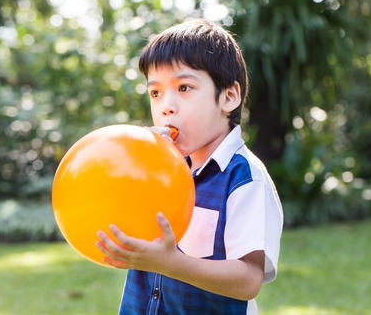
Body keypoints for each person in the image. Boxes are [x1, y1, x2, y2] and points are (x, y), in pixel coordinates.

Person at [95, 18, 283, 315]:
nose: (166, 106)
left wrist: (171, 263)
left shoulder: (244, 177)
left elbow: (248, 279)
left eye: (183, 87)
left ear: (229, 97)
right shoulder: (157, 168)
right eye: (155, 93)